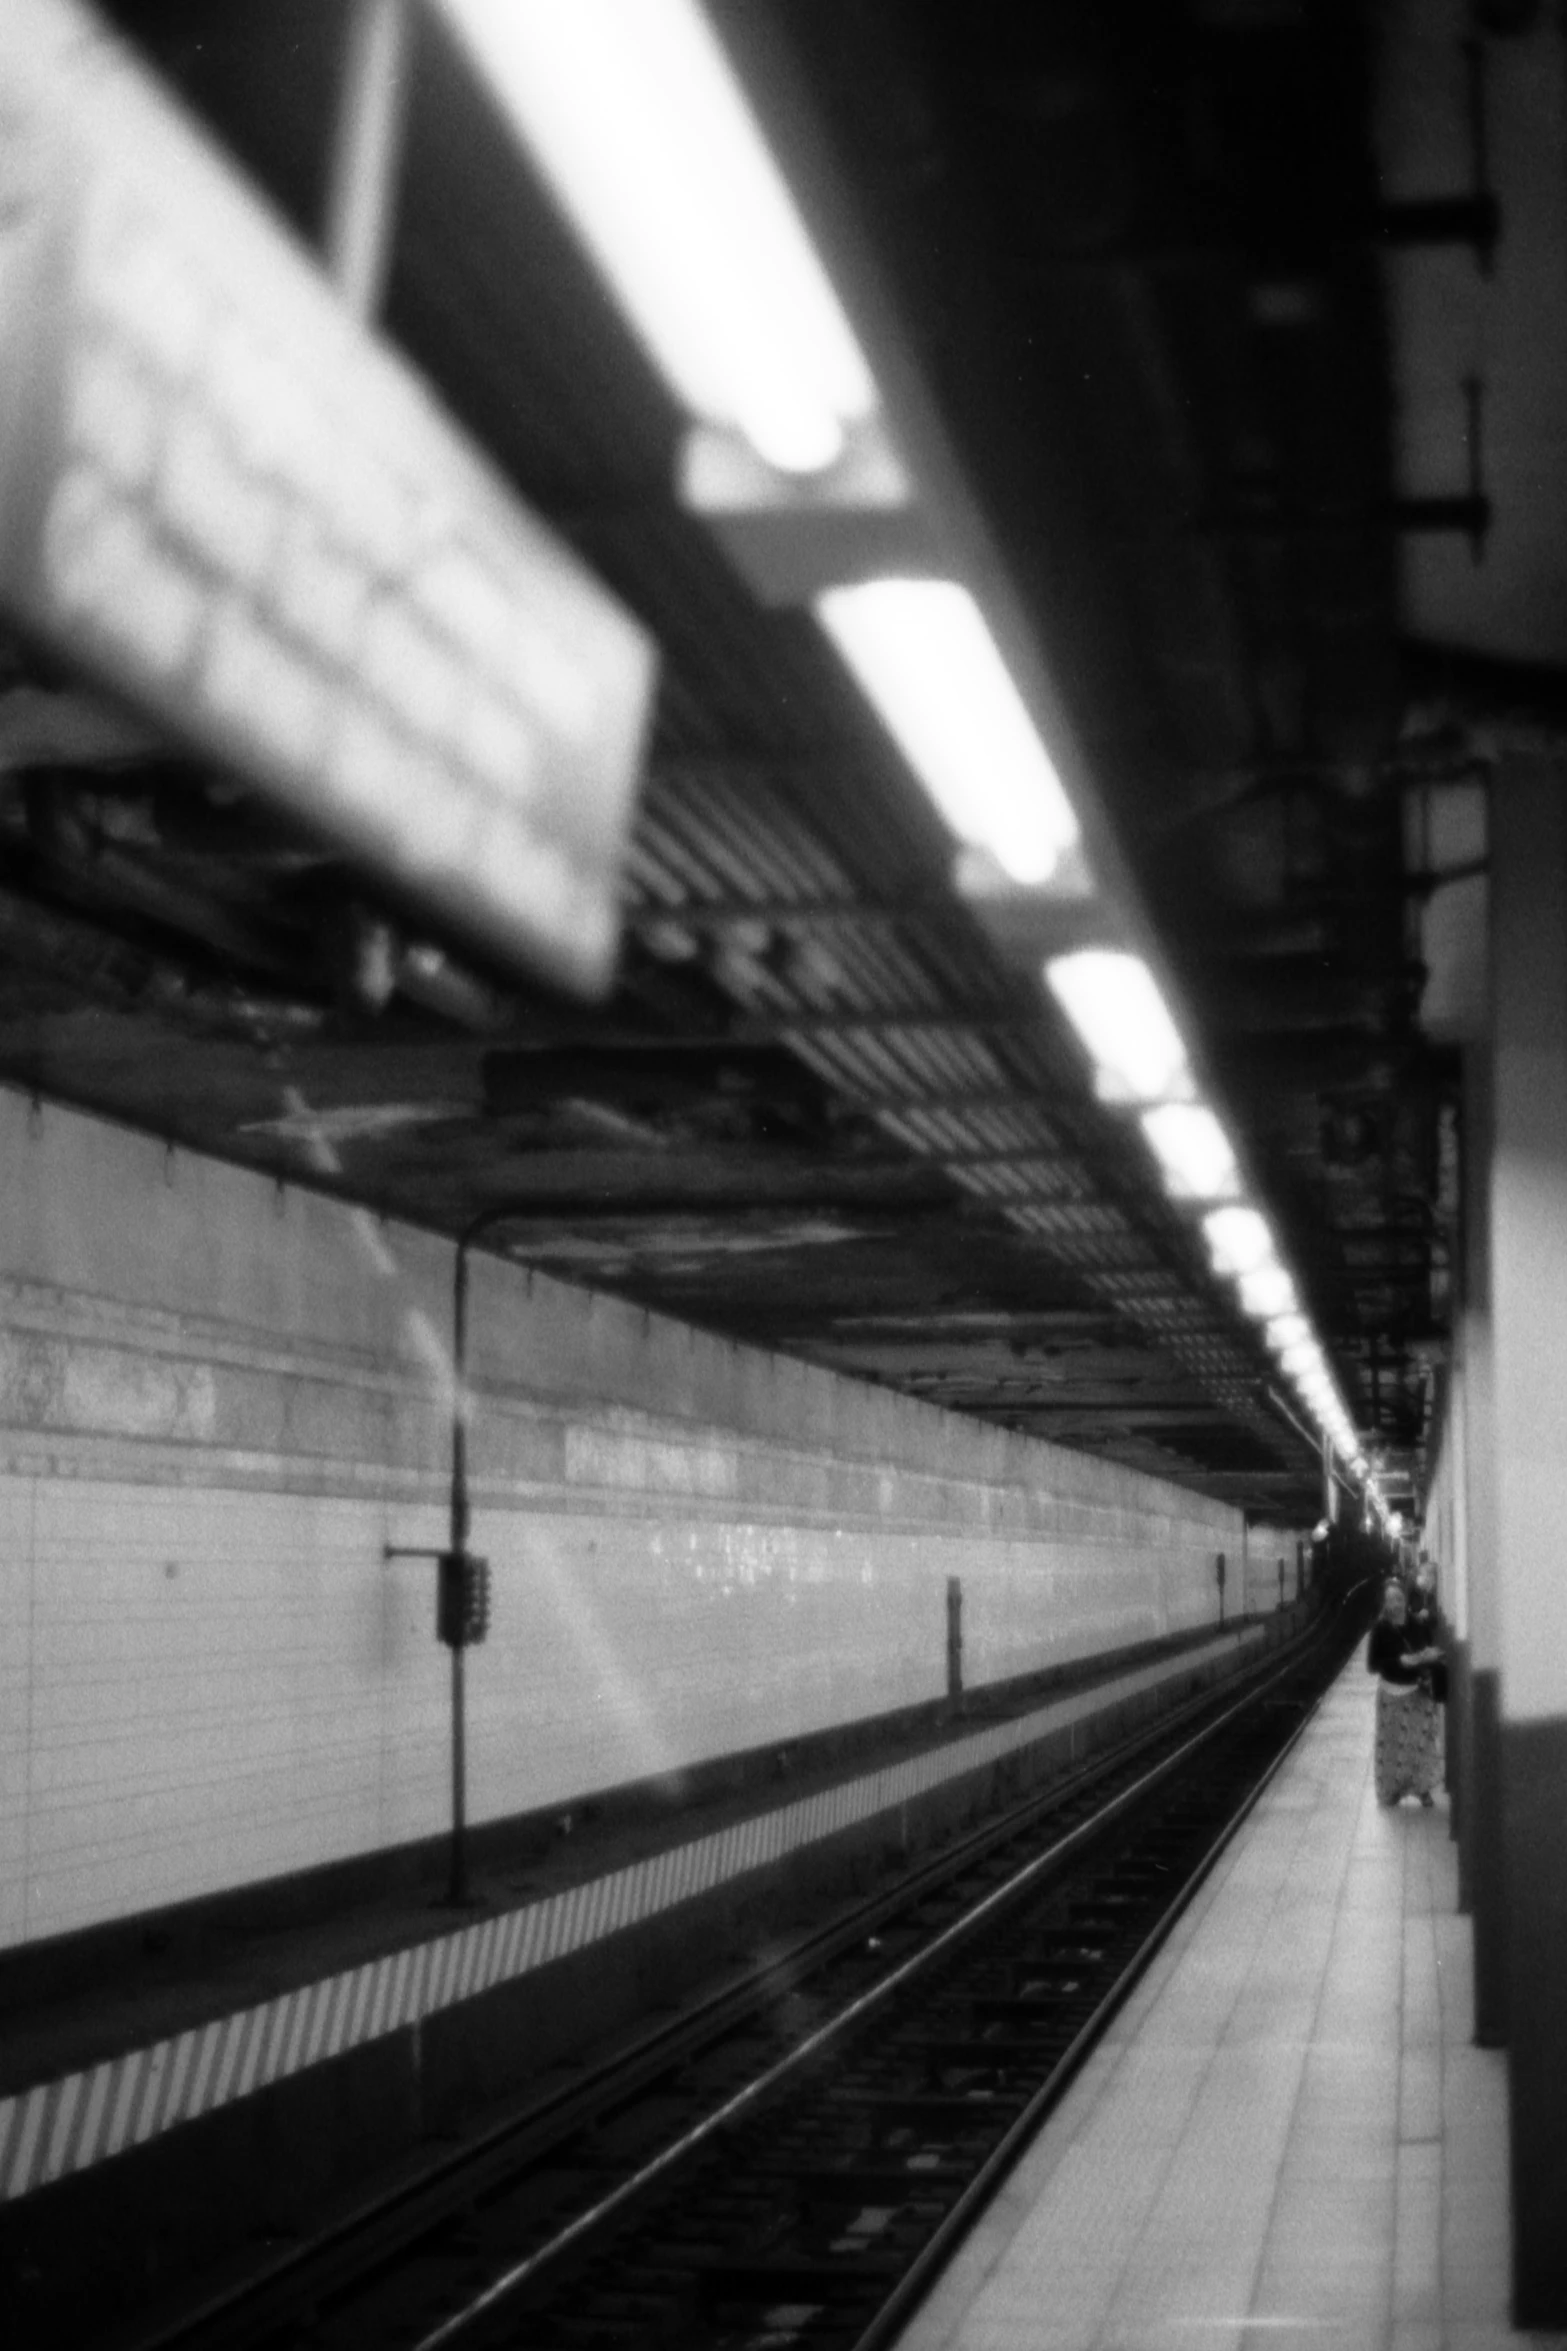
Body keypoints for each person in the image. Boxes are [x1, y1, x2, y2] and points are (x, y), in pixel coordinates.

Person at [1367, 1577, 1443, 1805]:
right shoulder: (1380, 1630)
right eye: (1390, 1600)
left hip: (1417, 1693)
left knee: (1421, 1745)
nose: (1395, 1604)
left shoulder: (1418, 1625)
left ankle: (1423, 1790)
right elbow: (1373, 1665)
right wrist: (1400, 1662)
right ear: (1384, 1603)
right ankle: (1392, 1792)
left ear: (1406, 1600)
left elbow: (1430, 1651)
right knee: (1391, 1749)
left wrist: (1424, 1659)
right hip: (1390, 1696)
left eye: (1398, 1598)